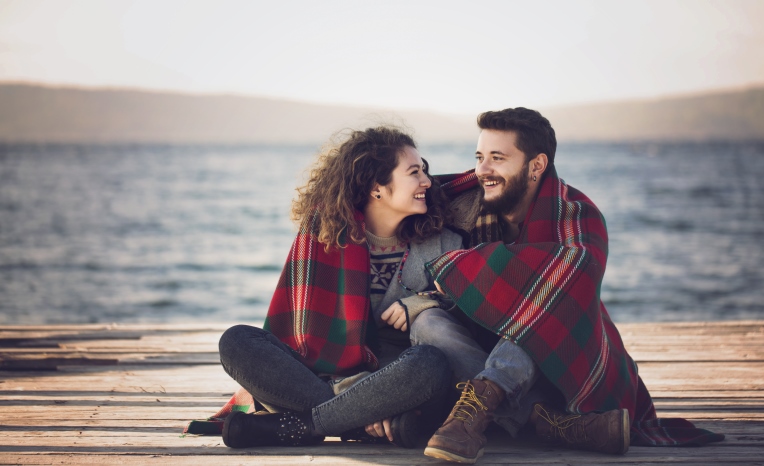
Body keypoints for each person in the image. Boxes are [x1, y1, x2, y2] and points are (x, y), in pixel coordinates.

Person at [411, 108, 724, 463]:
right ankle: (548, 423)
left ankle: (476, 410)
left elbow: (558, 282)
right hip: (493, 349)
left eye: (498, 158)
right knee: (426, 322)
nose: (483, 170)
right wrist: (421, 299)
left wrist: (454, 268)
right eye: (480, 157)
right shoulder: (467, 206)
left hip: (562, 358)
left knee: (540, 301)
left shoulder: (578, 215)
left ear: (536, 165)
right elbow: (397, 202)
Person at [185, 126, 462, 448]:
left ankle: (305, 425)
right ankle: (356, 422)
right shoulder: (325, 237)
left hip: (395, 379)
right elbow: (296, 334)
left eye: (424, 170)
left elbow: (464, 316)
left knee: (430, 363)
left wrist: (424, 301)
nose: (428, 181)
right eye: (415, 172)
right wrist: (368, 404)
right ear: (376, 187)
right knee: (236, 340)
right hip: (320, 377)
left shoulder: (444, 244)